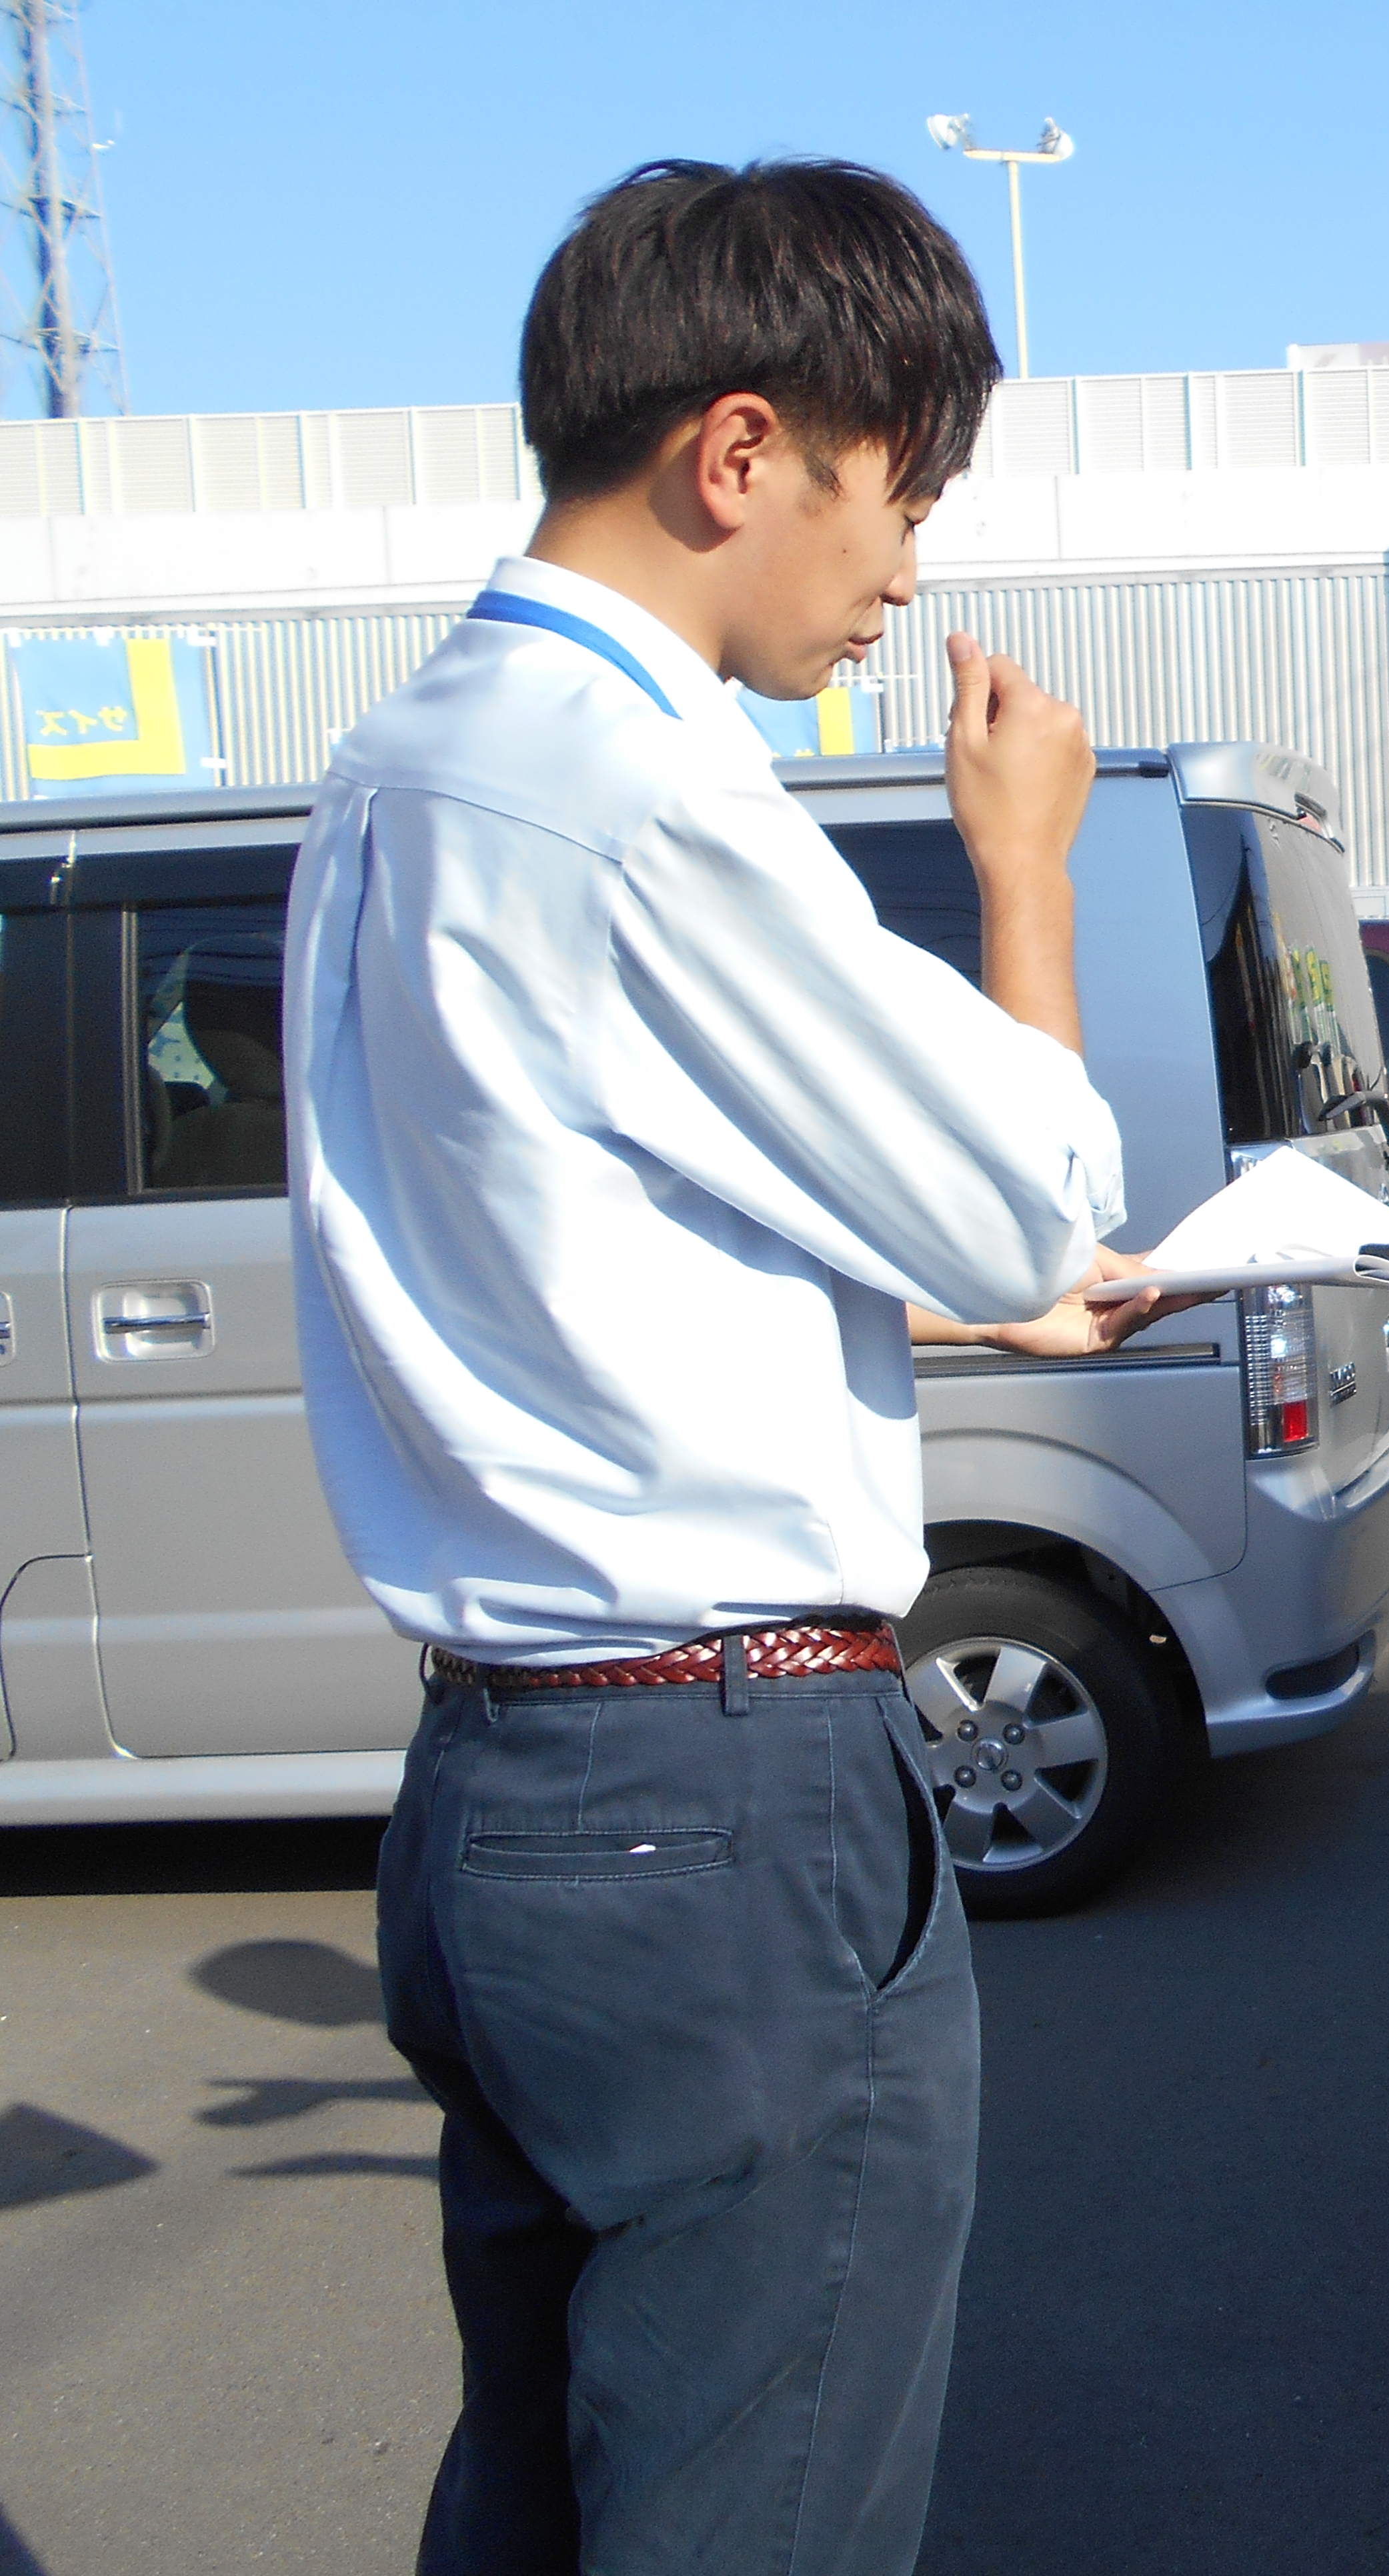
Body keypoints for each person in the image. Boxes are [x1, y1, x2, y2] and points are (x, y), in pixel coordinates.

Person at [281, 159, 1186, 2574]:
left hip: (501, 1773)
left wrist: (909, 1304)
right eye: (906, 502)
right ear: (744, 450)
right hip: (720, 1789)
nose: (909, 582)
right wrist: (1023, 868)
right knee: (756, 2514)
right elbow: (1031, 1192)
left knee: (547, 2489)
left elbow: (561, 1264)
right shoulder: (649, 792)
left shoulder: (386, 777)